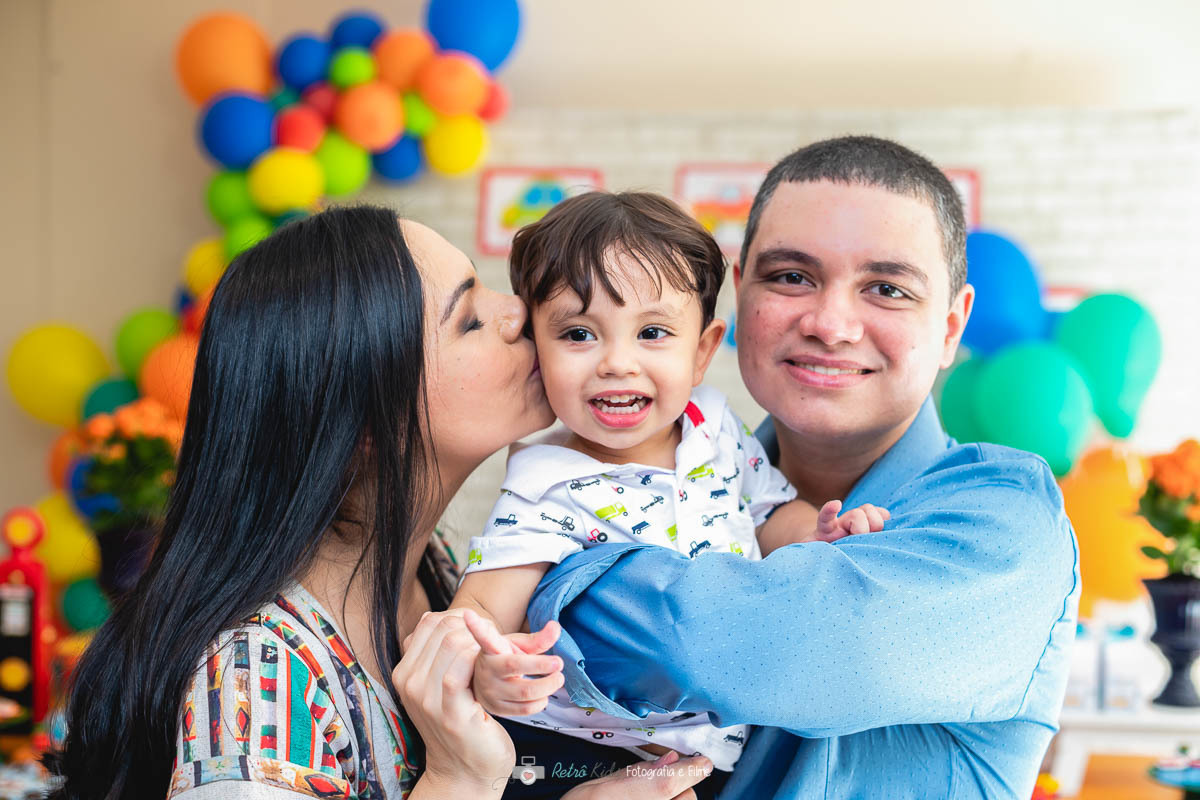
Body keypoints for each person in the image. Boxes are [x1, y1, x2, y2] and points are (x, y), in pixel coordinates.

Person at [44, 206, 714, 800]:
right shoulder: (257, 684)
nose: (519, 311)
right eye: (471, 318)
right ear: (365, 423)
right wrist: (457, 780)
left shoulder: (437, 571)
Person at [524, 136, 1081, 800]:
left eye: (886, 288)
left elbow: (770, 647)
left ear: (952, 327)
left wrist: (556, 574)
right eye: (791, 277)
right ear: (737, 302)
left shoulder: (1005, 517)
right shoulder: (670, 481)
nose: (830, 323)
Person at [449, 191, 889, 779]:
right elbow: (479, 610)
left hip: (716, 755)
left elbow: (768, 512)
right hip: (579, 758)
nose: (617, 363)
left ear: (703, 350)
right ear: (538, 350)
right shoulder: (548, 481)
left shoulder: (714, 429)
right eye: (579, 335)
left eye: (652, 333)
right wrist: (493, 670)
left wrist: (820, 531)